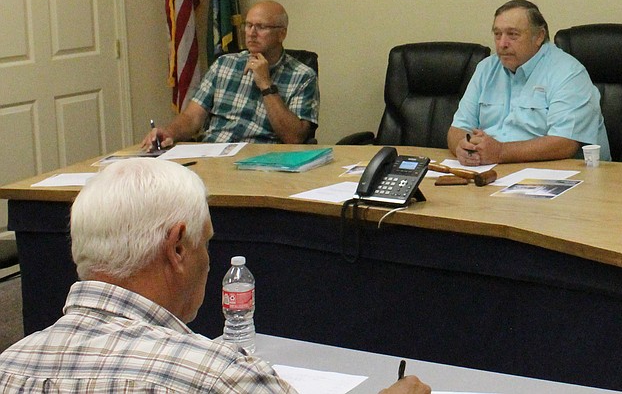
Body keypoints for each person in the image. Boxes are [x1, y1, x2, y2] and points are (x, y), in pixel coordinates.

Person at [0, 158, 429, 394]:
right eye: (207, 243)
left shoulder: (9, 367)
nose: (209, 260)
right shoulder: (219, 378)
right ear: (178, 248)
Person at [447, 0, 609, 165]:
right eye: (497, 34)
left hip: (555, 175)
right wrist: (463, 146)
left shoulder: (568, 72)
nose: (502, 44)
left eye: (513, 35)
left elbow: (565, 143)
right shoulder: (486, 69)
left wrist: (501, 152)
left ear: (539, 36)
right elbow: (457, 129)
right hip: (492, 171)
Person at [141, 0, 319, 148]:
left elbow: (294, 138)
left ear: (282, 34)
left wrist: (266, 85)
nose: (251, 33)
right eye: (248, 25)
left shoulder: (302, 75)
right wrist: (169, 132)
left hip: (262, 160)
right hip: (213, 154)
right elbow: (192, 117)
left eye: (261, 27)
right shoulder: (224, 64)